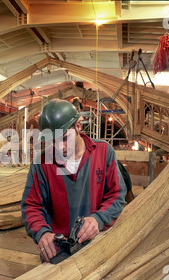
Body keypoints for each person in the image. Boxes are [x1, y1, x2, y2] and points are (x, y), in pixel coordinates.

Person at [21, 99, 127, 262]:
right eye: (53, 141)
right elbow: (31, 206)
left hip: (97, 242)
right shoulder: (42, 162)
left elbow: (116, 195)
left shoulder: (103, 152)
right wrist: (42, 233)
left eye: (64, 138)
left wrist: (97, 220)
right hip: (59, 250)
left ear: (78, 126)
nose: (59, 147)